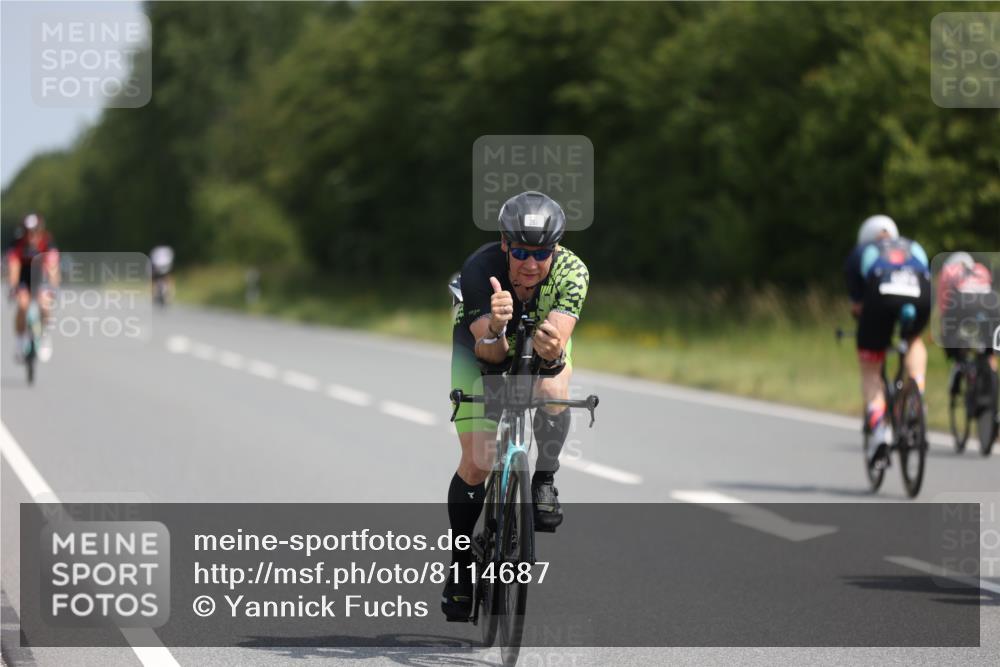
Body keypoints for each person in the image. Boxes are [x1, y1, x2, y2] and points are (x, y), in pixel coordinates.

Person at [442, 191, 590, 620]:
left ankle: (544, 479)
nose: (530, 263)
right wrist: (497, 325)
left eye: (541, 253)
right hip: (480, 343)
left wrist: (552, 354)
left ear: (556, 250)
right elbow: (489, 355)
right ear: (505, 244)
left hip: (541, 340)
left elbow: (555, 346)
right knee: (478, 461)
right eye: (521, 251)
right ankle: (462, 565)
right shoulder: (479, 269)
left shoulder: (573, 272)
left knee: (552, 390)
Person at [844, 214, 931, 468]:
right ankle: (917, 390)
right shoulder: (913, 246)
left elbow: (858, 306)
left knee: (871, 367)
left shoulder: (862, 251)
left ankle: (880, 429)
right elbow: (926, 272)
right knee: (913, 339)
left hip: (881, 293)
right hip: (920, 292)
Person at [937, 251, 998, 392]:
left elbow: (943, 305)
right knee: (989, 350)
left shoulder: (948, 270)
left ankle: (960, 363)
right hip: (991, 305)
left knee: (951, 337)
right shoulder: (981, 268)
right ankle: (992, 375)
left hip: (962, 303)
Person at [5, 213, 59, 361]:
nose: (31, 235)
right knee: (22, 305)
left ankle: (45, 336)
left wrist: (53, 287)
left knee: (45, 304)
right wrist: (13, 287)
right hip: (23, 277)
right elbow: (14, 267)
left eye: (35, 231)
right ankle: (19, 341)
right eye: (28, 232)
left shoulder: (48, 243)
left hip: (40, 277)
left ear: (40, 231)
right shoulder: (17, 244)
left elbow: (52, 267)